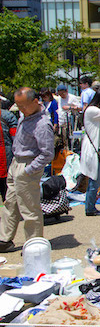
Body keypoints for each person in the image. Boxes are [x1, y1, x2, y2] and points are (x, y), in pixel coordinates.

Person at [0, 88, 55, 252]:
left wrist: (29, 170)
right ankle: (4, 238)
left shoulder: (42, 124)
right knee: (10, 203)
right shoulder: (26, 115)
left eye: (23, 106)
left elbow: (47, 154)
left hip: (27, 164)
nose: (21, 110)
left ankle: (34, 245)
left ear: (35, 102)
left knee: (29, 208)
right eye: (18, 106)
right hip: (16, 162)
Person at [0, 105, 17, 202]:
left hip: (5, 157)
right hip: (6, 158)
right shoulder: (8, 116)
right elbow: (15, 139)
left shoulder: (7, 116)